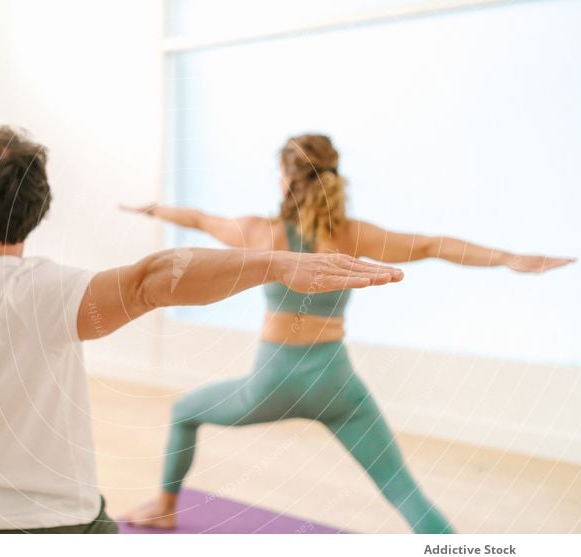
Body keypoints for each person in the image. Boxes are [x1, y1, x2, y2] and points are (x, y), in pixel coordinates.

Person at [0, 126, 404, 534]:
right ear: (38, 213)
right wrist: (280, 262)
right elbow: (152, 279)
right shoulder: (53, 293)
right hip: (70, 537)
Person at [122, 133, 574, 534]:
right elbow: (433, 245)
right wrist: (508, 257)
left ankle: (164, 507)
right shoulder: (353, 235)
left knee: (184, 411)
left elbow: (200, 219)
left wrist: (155, 208)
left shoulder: (260, 232)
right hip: (335, 383)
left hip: (270, 383)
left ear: (285, 178)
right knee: (401, 490)